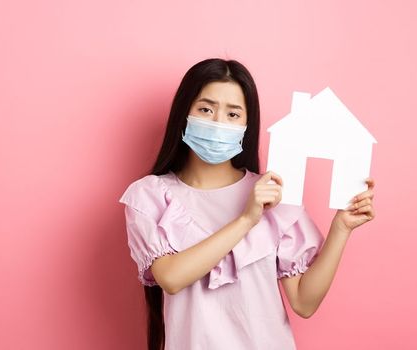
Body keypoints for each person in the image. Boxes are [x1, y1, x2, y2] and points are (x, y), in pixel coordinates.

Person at [118, 58, 376, 350]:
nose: (218, 123)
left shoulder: (272, 194)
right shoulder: (150, 195)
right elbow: (171, 278)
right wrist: (246, 220)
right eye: (205, 109)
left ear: (246, 125)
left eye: (233, 114)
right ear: (184, 114)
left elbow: (304, 302)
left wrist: (341, 228)